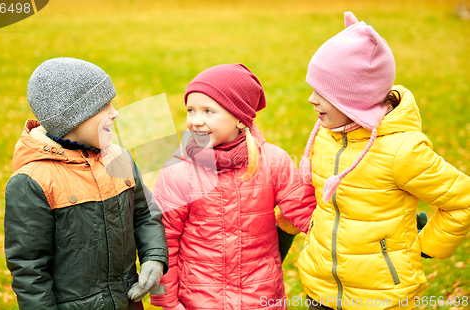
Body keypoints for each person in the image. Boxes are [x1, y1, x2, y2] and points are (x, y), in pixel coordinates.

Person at [295, 12, 470, 310]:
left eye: (321, 92)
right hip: (321, 288)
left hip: (381, 298)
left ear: (352, 99)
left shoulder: (402, 150)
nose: (311, 99)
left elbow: (462, 199)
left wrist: (425, 246)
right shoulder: (327, 136)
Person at [4, 57, 169, 310]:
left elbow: (146, 215)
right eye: (105, 106)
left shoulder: (120, 159)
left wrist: (154, 258)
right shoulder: (33, 181)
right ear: (73, 117)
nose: (115, 113)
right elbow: (30, 268)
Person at [149, 63, 316, 310]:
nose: (195, 121)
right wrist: (168, 302)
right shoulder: (179, 171)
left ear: (240, 118)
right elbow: (164, 241)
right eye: (190, 110)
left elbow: (306, 213)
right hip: (199, 300)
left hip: (261, 296)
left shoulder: (272, 161)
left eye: (208, 111)